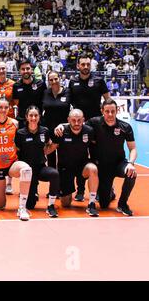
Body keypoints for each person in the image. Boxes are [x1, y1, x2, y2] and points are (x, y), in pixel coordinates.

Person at [56, 99, 137, 215]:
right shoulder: (94, 123)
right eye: (107, 111)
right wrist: (61, 125)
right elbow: (77, 124)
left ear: (117, 111)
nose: (110, 114)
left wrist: (131, 163)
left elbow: (133, 148)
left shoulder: (125, 126)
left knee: (132, 173)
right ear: (102, 111)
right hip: (101, 167)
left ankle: (122, 204)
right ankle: (110, 192)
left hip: (119, 163)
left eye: (113, 111)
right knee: (104, 204)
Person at [67, 53, 110, 202]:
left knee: (99, 157)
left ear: (90, 65)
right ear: (78, 66)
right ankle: (80, 191)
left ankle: (101, 189)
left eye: (87, 64)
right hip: (78, 126)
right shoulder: (73, 82)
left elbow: (108, 101)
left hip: (97, 127)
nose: (85, 67)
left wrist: (109, 119)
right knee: (79, 158)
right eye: (83, 64)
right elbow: (68, 104)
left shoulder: (99, 81)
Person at [0, 98, 33, 220]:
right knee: (0, 205)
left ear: (9, 108)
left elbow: (20, 142)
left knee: (26, 169)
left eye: (6, 108)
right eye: (0, 107)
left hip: (12, 164)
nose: (3, 110)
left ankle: (22, 207)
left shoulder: (15, 123)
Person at [52, 109, 99, 217]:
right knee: (66, 204)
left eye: (79, 120)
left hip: (82, 167)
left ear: (83, 120)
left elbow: (96, 146)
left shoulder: (89, 131)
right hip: (65, 167)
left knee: (93, 169)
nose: (77, 123)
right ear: (68, 120)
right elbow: (51, 148)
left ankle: (91, 203)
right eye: (73, 120)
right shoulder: (61, 131)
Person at [14, 105, 60, 218]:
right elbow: (17, 151)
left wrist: (47, 150)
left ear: (39, 117)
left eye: (36, 115)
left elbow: (49, 145)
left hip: (40, 168)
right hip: (27, 171)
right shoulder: (20, 133)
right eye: (31, 115)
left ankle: (51, 205)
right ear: (26, 117)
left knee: (54, 174)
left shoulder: (44, 131)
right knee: (30, 205)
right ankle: (32, 194)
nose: (33, 118)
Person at [0, 61, 17, 195]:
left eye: (3, 68)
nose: (1, 71)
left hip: (10, 121)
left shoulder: (13, 84)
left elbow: (15, 102)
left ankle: (9, 183)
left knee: (10, 149)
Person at [42, 70, 71, 168]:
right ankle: (53, 182)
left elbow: (75, 111)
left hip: (64, 130)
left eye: (55, 79)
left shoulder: (68, 92)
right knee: (51, 161)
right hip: (49, 131)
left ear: (60, 78)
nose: (54, 81)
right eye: (51, 80)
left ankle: (63, 182)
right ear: (48, 81)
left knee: (64, 161)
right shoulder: (45, 93)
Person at [13, 59, 47, 129]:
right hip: (22, 121)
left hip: (38, 121)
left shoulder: (41, 84)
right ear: (19, 71)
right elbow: (16, 102)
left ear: (32, 69)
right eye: (23, 69)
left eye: (28, 68)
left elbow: (45, 101)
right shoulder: (16, 86)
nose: (25, 71)